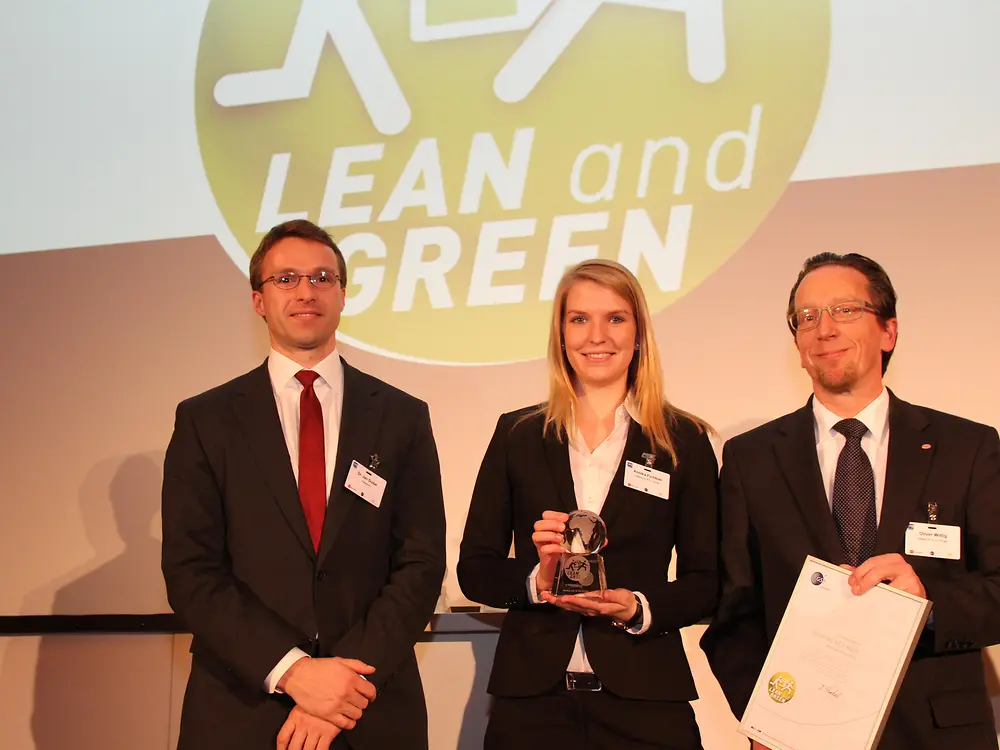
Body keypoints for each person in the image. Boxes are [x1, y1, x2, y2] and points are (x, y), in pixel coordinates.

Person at [161, 219, 446, 750]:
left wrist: (343, 686)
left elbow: (421, 562)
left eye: (322, 277)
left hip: (371, 707)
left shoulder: (403, 416)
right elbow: (190, 571)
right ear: (258, 300)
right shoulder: (206, 420)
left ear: (342, 294)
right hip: (241, 710)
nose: (306, 291)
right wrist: (294, 673)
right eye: (286, 279)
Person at [701, 252, 1000, 749]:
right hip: (800, 738)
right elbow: (735, 610)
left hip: (937, 731)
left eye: (845, 310)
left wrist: (926, 603)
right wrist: (768, 719)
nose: (824, 329)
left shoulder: (967, 447)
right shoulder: (750, 458)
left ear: (889, 331)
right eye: (808, 317)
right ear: (797, 344)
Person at [458, 259, 719, 750]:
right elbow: (475, 569)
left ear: (639, 332)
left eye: (615, 318)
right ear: (560, 334)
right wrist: (536, 580)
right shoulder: (517, 434)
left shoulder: (683, 440)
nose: (597, 335)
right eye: (579, 319)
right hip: (532, 706)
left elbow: (708, 581)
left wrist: (637, 606)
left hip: (645, 704)